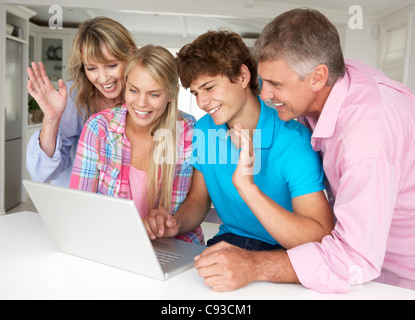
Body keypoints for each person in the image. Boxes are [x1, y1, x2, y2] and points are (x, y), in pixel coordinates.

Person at [190, 8, 415, 293]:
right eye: (264, 80)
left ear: (317, 77)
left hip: (398, 282)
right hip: (361, 269)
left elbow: (354, 258)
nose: (265, 94)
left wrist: (255, 265)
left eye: (276, 84)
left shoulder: (366, 139)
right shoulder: (338, 79)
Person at [144, 30, 334, 286]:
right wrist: (175, 224)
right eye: (195, 92)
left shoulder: (292, 139)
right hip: (230, 241)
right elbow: (199, 199)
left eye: (209, 87)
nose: (202, 102)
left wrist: (247, 186)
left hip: (284, 255)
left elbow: (319, 237)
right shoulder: (205, 129)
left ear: (243, 76)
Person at [69, 45, 204, 245]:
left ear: (170, 95)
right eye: (133, 90)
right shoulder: (99, 129)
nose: (141, 103)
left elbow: (198, 200)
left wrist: (174, 223)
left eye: (154, 94)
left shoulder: (190, 132)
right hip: (113, 243)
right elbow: (79, 204)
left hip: (175, 245)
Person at [27, 17, 138, 187]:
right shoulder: (73, 96)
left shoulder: (142, 97)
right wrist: (51, 119)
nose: (103, 78)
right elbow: (41, 174)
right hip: (76, 201)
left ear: (130, 54)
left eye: (111, 65)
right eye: (92, 68)